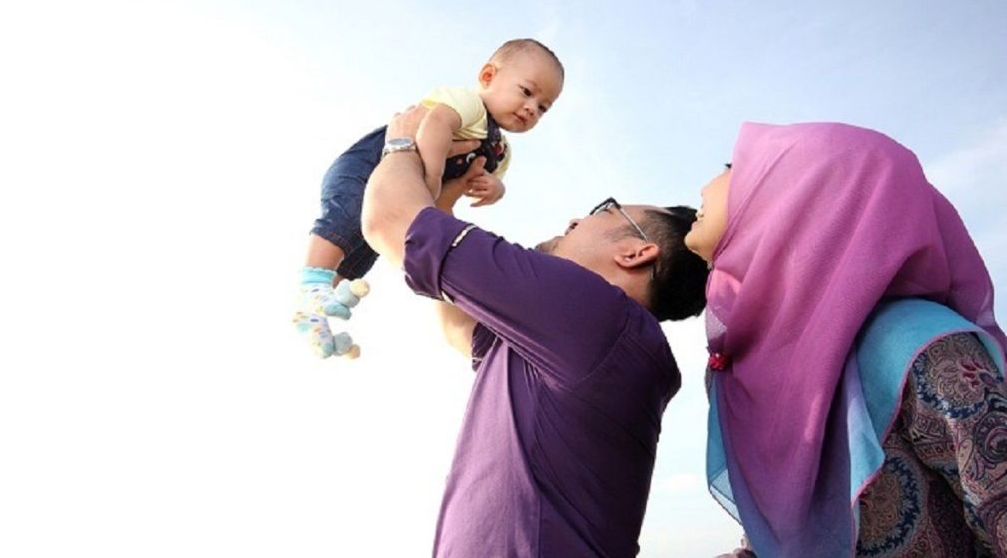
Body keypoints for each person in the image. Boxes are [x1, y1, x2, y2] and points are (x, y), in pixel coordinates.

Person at [360, 105, 709, 557]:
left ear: (634, 252)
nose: (576, 220)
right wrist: (443, 201)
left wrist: (402, 144)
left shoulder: (595, 311)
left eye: (605, 210)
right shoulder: (597, 339)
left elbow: (389, 222)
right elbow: (461, 326)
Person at [684, 122, 1007, 557]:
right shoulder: (748, 375)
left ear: (802, 196)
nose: (705, 186)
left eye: (731, 168)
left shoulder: (920, 345)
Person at [293, 38, 565, 358]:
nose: (532, 108)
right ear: (489, 76)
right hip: (369, 164)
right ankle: (312, 282)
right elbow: (435, 125)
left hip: (399, 186)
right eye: (527, 92)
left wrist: (495, 188)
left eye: (543, 107)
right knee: (347, 217)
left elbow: (486, 178)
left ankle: (316, 316)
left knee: (365, 247)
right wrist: (432, 179)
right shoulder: (469, 105)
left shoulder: (500, 149)